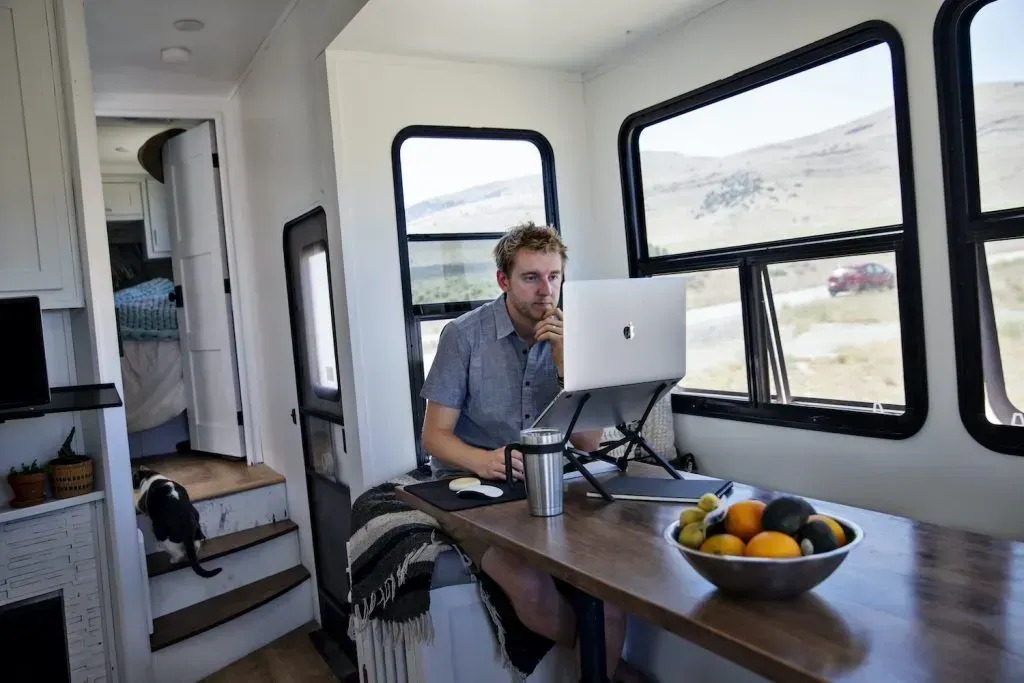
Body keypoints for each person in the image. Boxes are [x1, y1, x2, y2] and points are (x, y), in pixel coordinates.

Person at [420, 222, 651, 683]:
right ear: (504, 281)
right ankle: (614, 668)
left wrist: (568, 361)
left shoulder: (575, 335)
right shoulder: (463, 336)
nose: (547, 291)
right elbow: (434, 437)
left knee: (609, 589)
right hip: (473, 487)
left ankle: (602, 669)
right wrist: (486, 461)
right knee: (527, 583)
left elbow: (588, 445)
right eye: (531, 278)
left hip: (554, 481)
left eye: (555, 276)